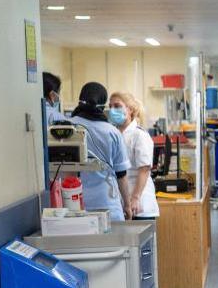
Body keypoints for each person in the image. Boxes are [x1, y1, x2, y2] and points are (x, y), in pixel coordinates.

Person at [67, 82, 133, 221]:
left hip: (73, 204)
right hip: (107, 204)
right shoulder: (111, 132)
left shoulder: (67, 127)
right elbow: (121, 174)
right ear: (103, 104)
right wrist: (127, 205)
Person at [109, 91, 158, 220]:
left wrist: (135, 198)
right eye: (110, 106)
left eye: (117, 106)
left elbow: (144, 169)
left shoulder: (139, 135)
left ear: (130, 109)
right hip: (120, 202)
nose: (113, 110)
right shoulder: (113, 134)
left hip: (139, 202)